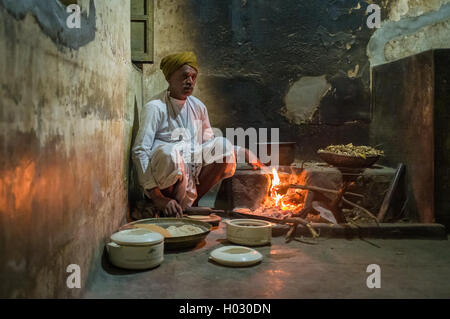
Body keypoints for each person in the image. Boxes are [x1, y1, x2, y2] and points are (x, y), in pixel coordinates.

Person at [131, 51, 263, 219]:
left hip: (191, 175)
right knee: (168, 153)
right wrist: (157, 197)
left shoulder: (198, 107)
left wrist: (242, 151)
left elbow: (209, 143)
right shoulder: (155, 107)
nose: (190, 81)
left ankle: (187, 206)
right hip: (162, 183)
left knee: (222, 146)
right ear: (169, 77)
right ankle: (162, 204)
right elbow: (140, 151)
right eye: (185, 76)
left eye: (194, 77)